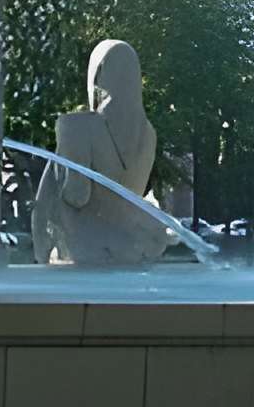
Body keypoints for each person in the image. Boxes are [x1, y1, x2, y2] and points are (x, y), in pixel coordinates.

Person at [31, 40, 167, 267]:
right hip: (132, 250)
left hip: (85, 252)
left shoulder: (77, 126)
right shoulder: (149, 134)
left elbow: (76, 195)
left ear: (99, 74)